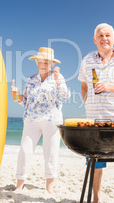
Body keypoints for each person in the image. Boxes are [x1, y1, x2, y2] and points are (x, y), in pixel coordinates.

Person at [78, 23, 114, 203]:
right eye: (100, 36)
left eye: (108, 35)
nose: (104, 39)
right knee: (95, 163)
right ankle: (95, 199)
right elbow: (84, 84)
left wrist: (110, 87)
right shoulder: (87, 60)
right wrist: (88, 102)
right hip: (94, 121)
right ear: (95, 40)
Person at [13, 47, 70, 193]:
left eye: (46, 62)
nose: (43, 64)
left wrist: (58, 81)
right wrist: (18, 96)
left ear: (51, 63)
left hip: (52, 120)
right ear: (36, 63)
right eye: (40, 61)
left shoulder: (58, 77)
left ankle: (49, 187)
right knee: (25, 151)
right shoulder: (31, 79)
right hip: (31, 120)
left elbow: (65, 96)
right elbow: (25, 101)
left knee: (51, 153)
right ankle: (19, 185)